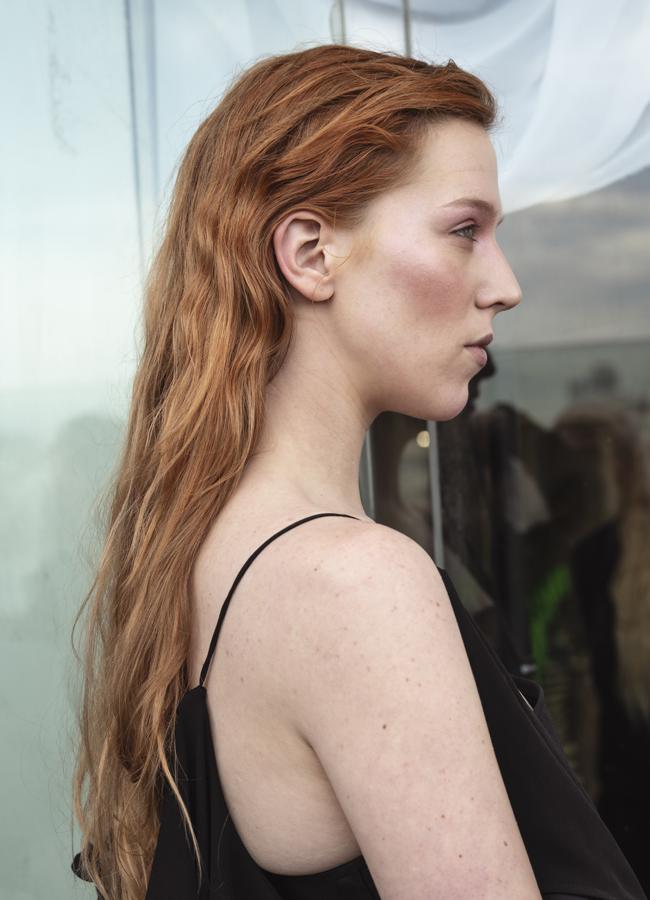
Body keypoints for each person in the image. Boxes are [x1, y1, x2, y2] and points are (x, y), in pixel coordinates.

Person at [70, 43, 647, 900]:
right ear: (310, 254)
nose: (507, 285)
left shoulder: (205, 557)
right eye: (464, 231)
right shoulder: (355, 585)